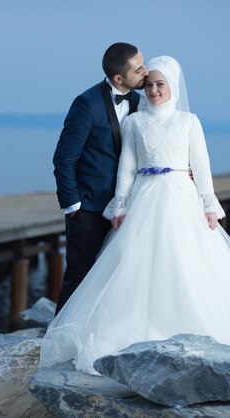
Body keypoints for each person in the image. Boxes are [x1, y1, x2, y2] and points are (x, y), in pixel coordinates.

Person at [40, 56, 230, 387]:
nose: (153, 89)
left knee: (183, 259)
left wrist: (208, 203)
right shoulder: (134, 122)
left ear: (173, 88)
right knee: (133, 263)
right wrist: (120, 204)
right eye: (149, 83)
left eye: (160, 84)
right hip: (143, 197)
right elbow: (126, 165)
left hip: (180, 196)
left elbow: (202, 163)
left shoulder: (188, 121)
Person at [52, 42, 147, 314]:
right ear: (119, 78)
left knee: (117, 276)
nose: (146, 71)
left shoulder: (138, 101)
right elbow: (64, 159)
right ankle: (57, 338)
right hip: (90, 209)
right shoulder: (86, 104)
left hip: (126, 207)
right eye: (138, 69)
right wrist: (73, 207)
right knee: (80, 276)